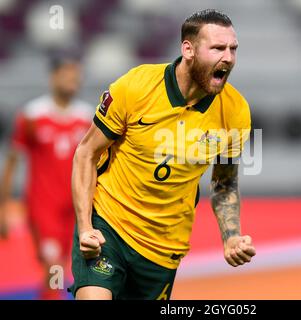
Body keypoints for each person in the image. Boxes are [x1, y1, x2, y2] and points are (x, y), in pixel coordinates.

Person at [70, 9, 256, 300]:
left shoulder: (236, 111)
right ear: (188, 49)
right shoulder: (136, 86)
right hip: (108, 228)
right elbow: (86, 154)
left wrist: (231, 236)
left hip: (163, 249)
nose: (229, 58)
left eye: (233, 49)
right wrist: (84, 227)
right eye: (218, 48)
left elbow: (224, 183)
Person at [0, 54, 93, 299]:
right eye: (67, 74)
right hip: (43, 208)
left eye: (76, 75)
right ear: (53, 77)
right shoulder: (32, 116)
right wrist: (3, 209)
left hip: (76, 208)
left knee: (67, 270)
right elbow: (12, 162)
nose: (73, 80)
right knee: (53, 269)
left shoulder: (86, 118)